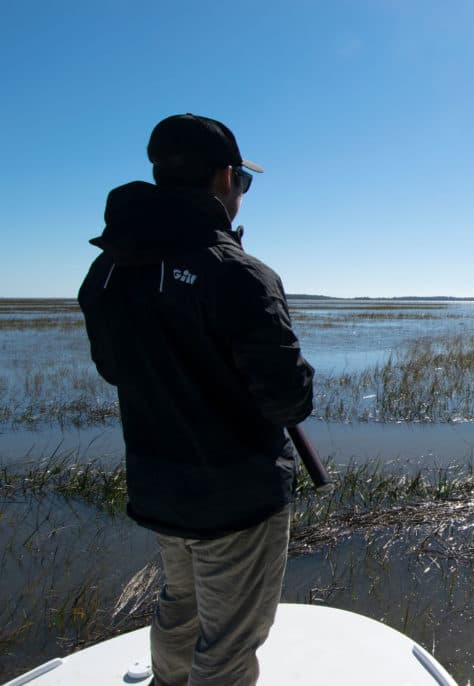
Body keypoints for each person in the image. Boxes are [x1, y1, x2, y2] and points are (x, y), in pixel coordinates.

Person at [78, 113, 315, 685]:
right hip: (238, 500)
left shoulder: (108, 271)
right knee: (227, 647)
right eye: (244, 183)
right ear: (224, 178)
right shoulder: (238, 273)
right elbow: (289, 399)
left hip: (162, 489)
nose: (242, 194)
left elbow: (114, 368)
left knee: (179, 607)